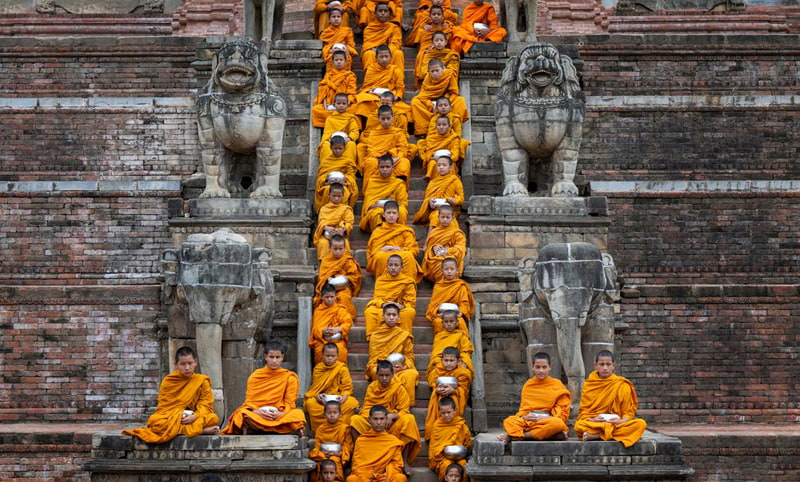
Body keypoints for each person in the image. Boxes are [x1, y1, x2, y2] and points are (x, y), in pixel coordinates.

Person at [122, 347, 220, 443]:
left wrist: (194, 416)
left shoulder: (202, 381)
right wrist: (179, 416)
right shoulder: (169, 381)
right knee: (154, 421)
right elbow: (164, 408)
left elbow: (206, 405)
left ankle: (187, 429)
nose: (187, 367)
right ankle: (200, 430)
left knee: (213, 418)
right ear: (176, 365)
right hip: (173, 417)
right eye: (183, 364)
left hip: (193, 417)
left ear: (195, 362)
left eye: (190, 363)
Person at [350, 362, 422, 476]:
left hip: (392, 425)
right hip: (375, 423)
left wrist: (392, 416)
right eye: (381, 375)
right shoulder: (372, 387)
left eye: (387, 375)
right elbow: (367, 407)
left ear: (392, 374)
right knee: (355, 420)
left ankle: (404, 461)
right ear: (377, 375)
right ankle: (361, 456)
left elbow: (404, 410)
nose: (384, 378)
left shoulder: (399, 388)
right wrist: (374, 419)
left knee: (409, 419)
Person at [221, 340, 306, 435]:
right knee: (241, 414)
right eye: (271, 357)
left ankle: (262, 427)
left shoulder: (289, 377)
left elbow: (289, 402)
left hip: (279, 414)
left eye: (277, 357)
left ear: (282, 357)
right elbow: (250, 401)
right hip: (259, 414)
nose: (274, 361)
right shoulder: (256, 376)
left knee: (298, 414)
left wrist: (280, 414)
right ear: (266, 357)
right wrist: (256, 412)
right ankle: (276, 427)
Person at [574, 350, 647, 447]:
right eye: (602, 364)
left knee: (640, 424)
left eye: (608, 364)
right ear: (595, 365)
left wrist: (621, 421)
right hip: (598, 424)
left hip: (616, 423)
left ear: (613, 365)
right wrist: (593, 419)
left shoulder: (622, 384)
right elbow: (584, 412)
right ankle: (613, 434)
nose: (605, 368)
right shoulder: (590, 384)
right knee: (578, 426)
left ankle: (598, 436)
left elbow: (628, 412)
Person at [497, 352, 570, 443]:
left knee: (557, 423)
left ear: (549, 367)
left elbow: (562, 412)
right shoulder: (528, 385)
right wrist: (526, 416)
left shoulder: (557, 384)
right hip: (529, 420)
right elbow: (523, 409)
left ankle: (516, 436)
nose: (541, 371)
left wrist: (544, 418)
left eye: (544, 367)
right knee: (509, 421)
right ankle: (548, 435)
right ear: (533, 367)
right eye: (538, 367)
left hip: (546, 420)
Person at [365, 303, 420, 401]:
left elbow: (409, 356)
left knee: (411, 374)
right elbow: (373, 359)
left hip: (400, 369)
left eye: (394, 315)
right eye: (388, 315)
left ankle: (404, 404)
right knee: (375, 371)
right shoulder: (375, 336)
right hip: (382, 368)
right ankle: (384, 401)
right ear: (383, 316)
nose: (391, 318)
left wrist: (403, 366)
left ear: (398, 317)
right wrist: (388, 368)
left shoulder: (404, 335)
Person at [305, 344, 360, 433]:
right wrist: (318, 396)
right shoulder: (318, 369)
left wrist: (344, 397)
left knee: (351, 402)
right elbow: (315, 388)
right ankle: (320, 431)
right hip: (323, 400)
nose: (330, 358)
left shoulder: (342, 368)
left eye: (333, 356)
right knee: (310, 403)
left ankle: (342, 430)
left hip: (338, 398)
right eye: (327, 356)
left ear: (337, 356)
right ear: (322, 355)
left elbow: (347, 387)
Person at [347, 404, 408, 482]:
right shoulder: (361, 440)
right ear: (369, 420)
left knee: (400, 478)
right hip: (365, 475)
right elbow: (357, 465)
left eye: (382, 419)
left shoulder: (393, 441)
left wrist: (385, 476)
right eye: (375, 419)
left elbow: (396, 465)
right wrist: (372, 476)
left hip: (385, 476)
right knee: (352, 479)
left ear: (386, 419)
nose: (378, 422)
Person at [366, 200, 421, 282]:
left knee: (408, 256)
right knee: (379, 256)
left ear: (398, 215)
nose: (391, 215)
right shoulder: (378, 231)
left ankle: (407, 284)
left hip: (401, 252)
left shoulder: (405, 230)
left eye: (394, 213)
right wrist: (382, 249)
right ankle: (384, 284)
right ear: (384, 215)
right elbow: (373, 251)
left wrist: (400, 249)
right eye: (388, 213)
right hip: (384, 253)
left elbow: (412, 249)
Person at [358, 106, 411, 191]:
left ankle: (399, 191)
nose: (386, 121)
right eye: (383, 119)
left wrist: (396, 158)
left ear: (392, 118)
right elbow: (371, 150)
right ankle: (371, 191)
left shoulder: (398, 132)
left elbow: (403, 148)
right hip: (378, 160)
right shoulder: (374, 133)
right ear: (378, 119)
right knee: (370, 162)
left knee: (404, 162)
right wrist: (382, 158)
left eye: (388, 118)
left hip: (394, 159)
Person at [411, 59, 468, 137]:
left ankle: (453, 125)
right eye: (432, 71)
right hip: (432, 102)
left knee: (460, 100)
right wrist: (430, 105)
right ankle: (424, 130)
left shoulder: (449, 75)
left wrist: (444, 103)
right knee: (415, 101)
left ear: (443, 69)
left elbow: (454, 92)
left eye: (437, 70)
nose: (435, 73)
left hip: (446, 101)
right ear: (429, 71)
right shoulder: (427, 78)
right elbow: (422, 95)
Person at [363, 254, 417, 336]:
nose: (393, 268)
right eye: (390, 265)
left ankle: (403, 337)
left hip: (400, 308)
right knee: (370, 311)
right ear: (387, 267)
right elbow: (377, 299)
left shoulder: (407, 281)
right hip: (384, 307)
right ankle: (374, 338)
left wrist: (401, 306)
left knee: (409, 312)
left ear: (401, 267)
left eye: (396, 265)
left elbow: (410, 302)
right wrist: (384, 304)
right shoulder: (381, 280)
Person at [424, 347, 471, 440]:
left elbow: (464, 389)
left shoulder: (463, 372)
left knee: (452, 400)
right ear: (441, 360)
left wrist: (454, 391)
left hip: (456, 395)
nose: (448, 363)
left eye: (451, 360)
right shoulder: (438, 369)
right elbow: (433, 382)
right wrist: (436, 389)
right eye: (446, 360)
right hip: (440, 394)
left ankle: (451, 427)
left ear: (458, 361)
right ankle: (439, 425)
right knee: (438, 399)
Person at [315, 234, 362, 319]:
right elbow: (322, 278)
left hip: (344, 288)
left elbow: (355, 276)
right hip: (330, 287)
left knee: (343, 297)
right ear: (330, 248)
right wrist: (327, 279)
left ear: (344, 248)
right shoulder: (326, 261)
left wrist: (345, 278)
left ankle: (344, 319)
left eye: (340, 249)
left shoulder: (348, 260)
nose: (338, 251)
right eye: (335, 249)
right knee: (326, 299)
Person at [354, 45, 406, 119]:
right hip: (374, 96)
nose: (384, 59)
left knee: (404, 109)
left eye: (386, 56)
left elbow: (400, 88)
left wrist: (396, 97)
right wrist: (373, 92)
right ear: (376, 58)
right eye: (381, 57)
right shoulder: (371, 69)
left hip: (389, 96)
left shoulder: (395, 70)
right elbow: (367, 87)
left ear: (390, 57)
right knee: (362, 103)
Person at [359, 155, 409, 232]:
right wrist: (381, 206)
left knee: (402, 211)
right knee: (375, 213)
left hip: (393, 209)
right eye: (382, 167)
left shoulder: (398, 183)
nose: (385, 169)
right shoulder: (372, 181)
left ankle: (398, 234)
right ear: (378, 168)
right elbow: (368, 205)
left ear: (393, 168)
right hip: (377, 208)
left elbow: (403, 203)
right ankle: (380, 236)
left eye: (387, 167)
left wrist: (390, 207)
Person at [308, 400, 354, 481]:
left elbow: (348, 446)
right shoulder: (321, 429)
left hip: (337, 456)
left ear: (340, 414)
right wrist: (322, 453)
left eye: (335, 412)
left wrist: (338, 453)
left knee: (334, 461)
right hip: (323, 455)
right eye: (329, 413)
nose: (332, 415)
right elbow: (317, 446)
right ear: (324, 415)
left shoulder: (344, 428)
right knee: (320, 463)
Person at [412, 155, 464, 227]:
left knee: (450, 220)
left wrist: (454, 200)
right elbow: (427, 198)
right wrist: (430, 202)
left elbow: (461, 198)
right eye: (439, 165)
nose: (441, 167)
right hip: (436, 210)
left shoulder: (455, 180)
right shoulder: (433, 182)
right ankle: (431, 237)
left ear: (451, 168)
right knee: (435, 217)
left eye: (444, 165)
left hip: (451, 210)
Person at [428, 397, 471, 480]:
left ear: (455, 411)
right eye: (443, 413)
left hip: (459, 457)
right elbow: (434, 447)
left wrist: (462, 452)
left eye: (449, 412)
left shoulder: (460, 424)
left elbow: (467, 443)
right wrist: (443, 453)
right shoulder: (438, 425)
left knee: (463, 464)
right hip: (443, 458)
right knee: (446, 465)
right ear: (439, 412)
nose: (446, 415)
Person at [426, 257, 473, 335]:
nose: (449, 271)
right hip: (442, 315)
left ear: (457, 271)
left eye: (452, 269)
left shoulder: (461, 285)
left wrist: (460, 313)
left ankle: (462, 344)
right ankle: (442, 343)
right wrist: (438, 314)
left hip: (456, 315)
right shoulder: (438, 286)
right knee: (438, 322)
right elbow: (433, 305)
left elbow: (464, 303)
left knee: (460, 322)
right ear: (442, 271)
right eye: (446, 269)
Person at [312, 50, 358, 128]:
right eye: (336, 60)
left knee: (355, 108)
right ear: (333, 63)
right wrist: (327, 104)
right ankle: (336, 115)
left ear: (346, 62)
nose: (339, 62)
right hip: (330, 104)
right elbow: (322, 90)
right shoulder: (328, 75)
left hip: (344, 105)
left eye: (341, 60)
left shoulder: (350, 76)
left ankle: (336, 115)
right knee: (316, 109)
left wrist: (346, 104)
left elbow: (351, 92)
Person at [421, 205, 466, 282]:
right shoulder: (434, 232)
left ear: (453, 218)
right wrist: (433, 248)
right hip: (436, 258)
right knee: (437, 263)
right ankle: (441, 284)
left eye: (447, 217)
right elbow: (427, 250)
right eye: (442, 217)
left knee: (448, 264)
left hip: (451, 257)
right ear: (438, 217)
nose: (445, 220)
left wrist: (447, 251)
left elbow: (461, 249)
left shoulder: (457, 233)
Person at [310, 285, 353, 364]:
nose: (329, 299)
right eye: (327, 297)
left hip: (337, 340)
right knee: (320, 351)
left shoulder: (340, 309)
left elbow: (347, 322)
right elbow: (315, 330)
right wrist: (323, 331)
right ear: (322, 297)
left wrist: (338, 329)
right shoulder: (318, 311)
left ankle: (339, 373)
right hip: (322, 340)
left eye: (332, 296)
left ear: (335, 297)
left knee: (340, 350)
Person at [316, 134, 358, 212]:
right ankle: (326, 212)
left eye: (340, 148)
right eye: (335, 148)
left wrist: (345, 182)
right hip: (328, 185)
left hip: (343, 185)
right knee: (327, 190)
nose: (338, 151)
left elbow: (351, 176)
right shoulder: (325, 161)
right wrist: (326, 181)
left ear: (344, 148)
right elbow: (320, 178)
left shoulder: (348, 161)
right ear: (331, 148)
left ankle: (343, 213)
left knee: (344, 191)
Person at [314, 183, 354, 260]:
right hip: (326, 236)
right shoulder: (324, 209)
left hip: (340, 236)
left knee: (345, 244)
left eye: (339, 196)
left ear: (343, 196)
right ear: (329, 195)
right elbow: (321, 222)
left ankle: (344, 265)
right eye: (334, 196)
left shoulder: (346, 209)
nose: (336, 198)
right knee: (323, 244)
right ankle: (324, 266)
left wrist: (343, 229)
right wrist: (326, 227)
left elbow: (349, 223)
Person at [360, 3, 404, 71]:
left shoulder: (394, 28)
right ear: (375, 13)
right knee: (369, 54)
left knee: (398, 53)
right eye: (380, 11)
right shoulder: (369, 28)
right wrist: (378, 52)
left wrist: (385, 52)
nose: (383, 13)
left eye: (385, 11)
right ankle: (372, 79)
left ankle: (397, 79)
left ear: (389, 13)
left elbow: (396, 44)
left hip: (389, 52)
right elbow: (368, 45)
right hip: (375, 52)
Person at [319, 93, 361, 162]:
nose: (341, 106)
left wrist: (350, 138)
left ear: (348, 104)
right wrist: (329, 139)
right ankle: (327, 166)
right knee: (325, 145)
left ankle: (348, 166)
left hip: (346, 141)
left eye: (344, 104)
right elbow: (327, 133)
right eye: (338, 103)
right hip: (332, 141)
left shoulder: (351, 118)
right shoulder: (330, 119)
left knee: (352, 144)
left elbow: (354, 131)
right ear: (334, 105)